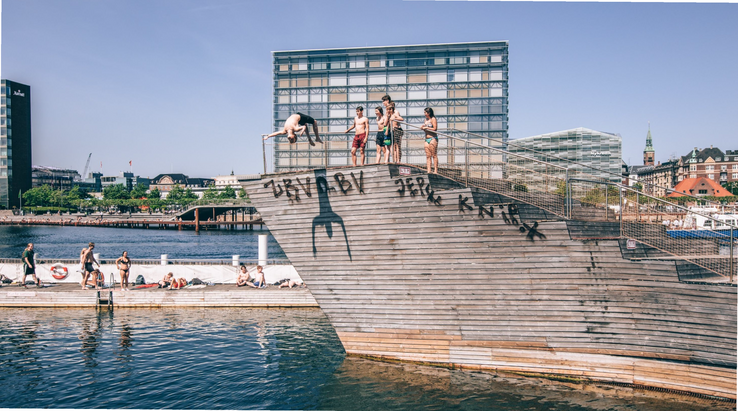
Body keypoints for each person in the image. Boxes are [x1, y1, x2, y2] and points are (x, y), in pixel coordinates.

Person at [421, 107, 439, 173]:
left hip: (433, 138)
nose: (425, 114)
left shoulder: (433, 119)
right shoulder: (426, 120)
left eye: (426, 112)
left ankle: (435, 170)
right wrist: (423, 127)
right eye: (424, 112)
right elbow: (425, 127)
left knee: (434, 154)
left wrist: (427, 128)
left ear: (429, 113)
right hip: (427, 138)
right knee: (428, 155)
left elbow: (435, 128)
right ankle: (429, 170)